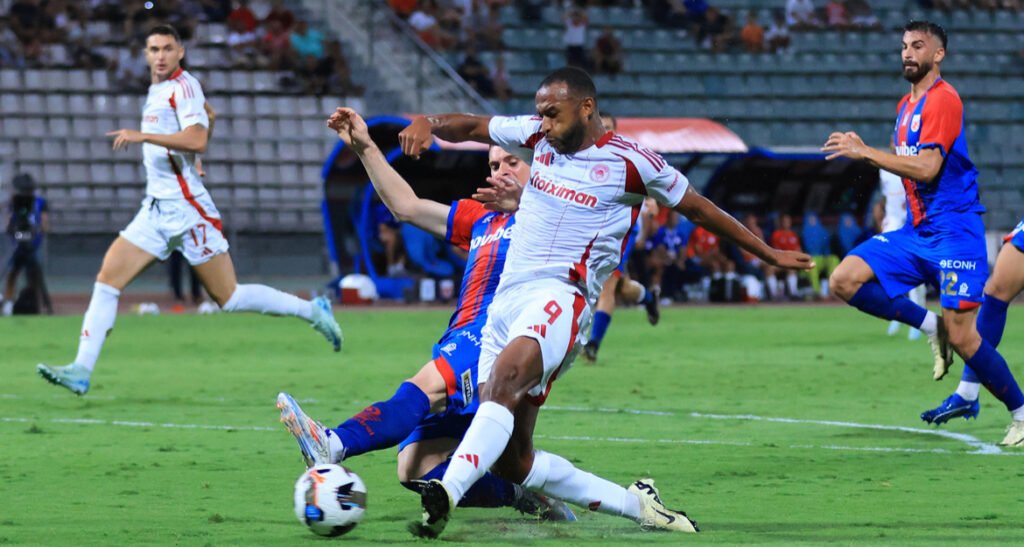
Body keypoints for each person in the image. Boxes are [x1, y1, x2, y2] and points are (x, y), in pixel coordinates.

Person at [396, 66, 813, 537]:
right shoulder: (536, 136)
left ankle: (446, 492)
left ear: (586, 107)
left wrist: (767, 253)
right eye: (540, 113)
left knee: (503, 384)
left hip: (561, 297)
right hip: (507, 300)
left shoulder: (634, 163)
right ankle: (641, 506)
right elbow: (473, 126)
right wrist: (428, 122)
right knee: (513, 462)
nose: (544, 123)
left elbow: (698, 208)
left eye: (553, 113)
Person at [277, 108, 576, 519]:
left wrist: (528, 202)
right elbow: (407, 207)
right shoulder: (481, 217)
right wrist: (366, 148)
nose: (501, 170)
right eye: (493, 165)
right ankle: (520, 494)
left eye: (511, 161)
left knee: (426, 386)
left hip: (501, 335)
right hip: (460, 334)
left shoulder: (554, 216)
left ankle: (333, 443)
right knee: (415, 467)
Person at [36, 25, 342, 396]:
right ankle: (81, 370)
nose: (160, 55)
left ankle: (313, 310)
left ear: (180, 51)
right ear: (146, 54)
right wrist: (195, 156)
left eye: (167, 48)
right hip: (155, 210)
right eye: (154, 49)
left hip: (187, 211)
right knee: (107, 280)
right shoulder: (160, 89)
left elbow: (196, 136)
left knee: (229, 298)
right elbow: (205, 121)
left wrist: (146, 136)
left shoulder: (184, 85)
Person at [823, 21, 1024, 445]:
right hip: (918, 232)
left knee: (965, 337)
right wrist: (871, 152)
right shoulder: (905, 106)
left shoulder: (944, 99)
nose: (908, 53)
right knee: (843, 279)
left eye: (918, 46)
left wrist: (866, 153)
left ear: (938, 54)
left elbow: (929, 168)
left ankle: (1021, 413)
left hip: (955, 232)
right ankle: (931, 325)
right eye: (904, 46)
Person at [582, 112, 660, 363]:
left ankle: (593, 344)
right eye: (601, 126)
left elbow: (649, 186)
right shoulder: (583, 157)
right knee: (621, 288)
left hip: (622, 230)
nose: (604, 131)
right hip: (594, 230)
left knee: (608, 283)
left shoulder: (628, 157)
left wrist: (650, 202)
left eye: (609, 127)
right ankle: (648, 298)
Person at [874, 169, 926, 340]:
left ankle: (917, 318)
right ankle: (897, 313)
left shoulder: (910, 161)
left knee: (912, 270)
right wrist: (881, 213)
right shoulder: (883, 169)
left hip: (911, 221)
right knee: (889, 270)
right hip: (892, 222)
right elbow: (885, 195)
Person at [3, 173, 52, 316]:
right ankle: (39, 305)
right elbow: (44, 225)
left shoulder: (26, 201)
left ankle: (14, 304)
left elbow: (10, 223)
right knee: (25, 275)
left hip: (27, 244)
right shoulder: (38, 202)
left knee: (16, 274)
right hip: (27, 243)